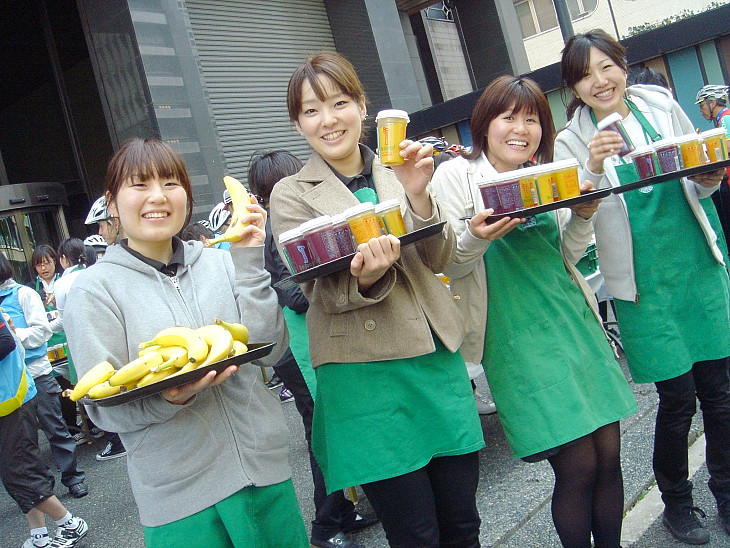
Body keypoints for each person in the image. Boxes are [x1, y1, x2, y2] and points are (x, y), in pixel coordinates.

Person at [270, 51, 484, 548]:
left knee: (462, 524)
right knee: (415, 534)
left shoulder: (400, 165)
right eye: (310, 110)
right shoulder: (291, 193)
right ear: (297, 122)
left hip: (434, 361)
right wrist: (367, 279)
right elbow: (313, 288)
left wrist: (419, 196)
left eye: (339, 102)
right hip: (365, 376)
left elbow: (440, 258)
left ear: (363, 106)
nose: (328, 120)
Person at [64, 137, 307, 547]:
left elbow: (272, 347)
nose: (157, 197)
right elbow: (101, 409)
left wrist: (248, 260)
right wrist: (165, 399)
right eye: (139, 185)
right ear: (112, 202)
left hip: (265, 475)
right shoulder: (94, 290)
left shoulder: (219, 262)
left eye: (171, 183)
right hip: (181, 501)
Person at [431, 75, 637, 548]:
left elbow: (564, 252)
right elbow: (447, 263)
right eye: (509, 117)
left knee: (609, 455)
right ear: (484, 124)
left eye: (532, 119)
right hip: (514, 337)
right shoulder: (457, 177)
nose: (521, 129)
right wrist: (476, 237)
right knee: (577, 464)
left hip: (571, 320)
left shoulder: (550, 172)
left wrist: (583, 215)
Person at [555, 29, 730, 545]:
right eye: (585, 74)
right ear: (574, 87)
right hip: (642, 286)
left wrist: (712, 178)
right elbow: (578, 221)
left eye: (607, 66)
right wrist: (592, 166)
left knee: (721, 396)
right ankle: (677, 502)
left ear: (623, 65)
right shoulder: (570, 142)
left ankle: (725, 492)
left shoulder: (659, 102)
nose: (600, 80)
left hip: (695, 266)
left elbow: (696, 174)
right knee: (677, 401)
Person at [249, 148, 378, 548]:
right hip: (297, 346)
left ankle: (341, 512)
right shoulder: (277, 228)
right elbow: (292, 293)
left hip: (311, 339)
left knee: (334, 425)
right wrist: (339, 279)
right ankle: (325, 527)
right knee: (323, 432)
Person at [0, 252, 89, 500]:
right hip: (9, 384)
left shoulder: (23, 294)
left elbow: (42, 332)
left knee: (57, 430)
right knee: (25, 442)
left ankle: (73, 478)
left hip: (36, 373)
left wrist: (15, 334)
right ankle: (42, 490)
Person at [0, 305, 89, 548]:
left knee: (18, 474)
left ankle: (70, 523)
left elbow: (4, 341)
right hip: (10, 402)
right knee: (23, 468)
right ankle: (39, 534)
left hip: (11, 402)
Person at [696, 84, 730, 249]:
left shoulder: (726, 118)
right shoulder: (720, 121)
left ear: (713, 102)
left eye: (702, 105)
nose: (701, 110)